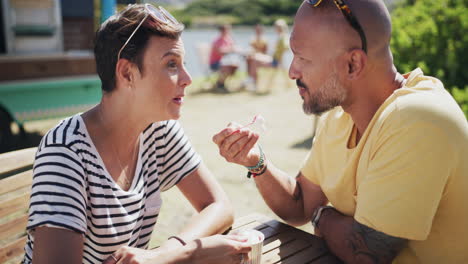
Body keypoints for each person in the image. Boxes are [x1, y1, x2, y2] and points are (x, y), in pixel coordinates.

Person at [213, 0, 468, 263]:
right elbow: (300, 205)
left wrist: (322, 217)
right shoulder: (339, 117)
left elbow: (367, 254)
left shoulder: (417, 119)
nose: (292, 71)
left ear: (353, 64)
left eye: (302, 58)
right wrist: (257, 162)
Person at [23, 4, 251, 264]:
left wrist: (166, 254)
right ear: (126, 73)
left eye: (183, 64)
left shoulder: (158, 129)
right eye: (172, 64)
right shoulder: (65, 153)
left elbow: (219, 205)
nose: (187, 78)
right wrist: (191, 253)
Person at [244, 19, 289, 92]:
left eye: (276, 27)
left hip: (275, 61)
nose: (275, 29)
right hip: (274, 59)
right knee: (252, 59)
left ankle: (251, 81)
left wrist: (279, 51)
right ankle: (251, 81)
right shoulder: (281, 36)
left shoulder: (282, 37)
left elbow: (286, 47)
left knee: (254, 60)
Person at [208, 24, 240, 92]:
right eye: (226, 30)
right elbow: (221, 52)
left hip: (227, 62)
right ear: (221, 31)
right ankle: (220, 84)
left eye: (228, 30)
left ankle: (220, 83)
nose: (228, 31)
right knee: (227, 67)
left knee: (235, 65)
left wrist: (232, 49)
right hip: (215, 63)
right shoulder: (217, 41)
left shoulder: (229, 39)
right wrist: (231, 49)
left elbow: (234, 47)